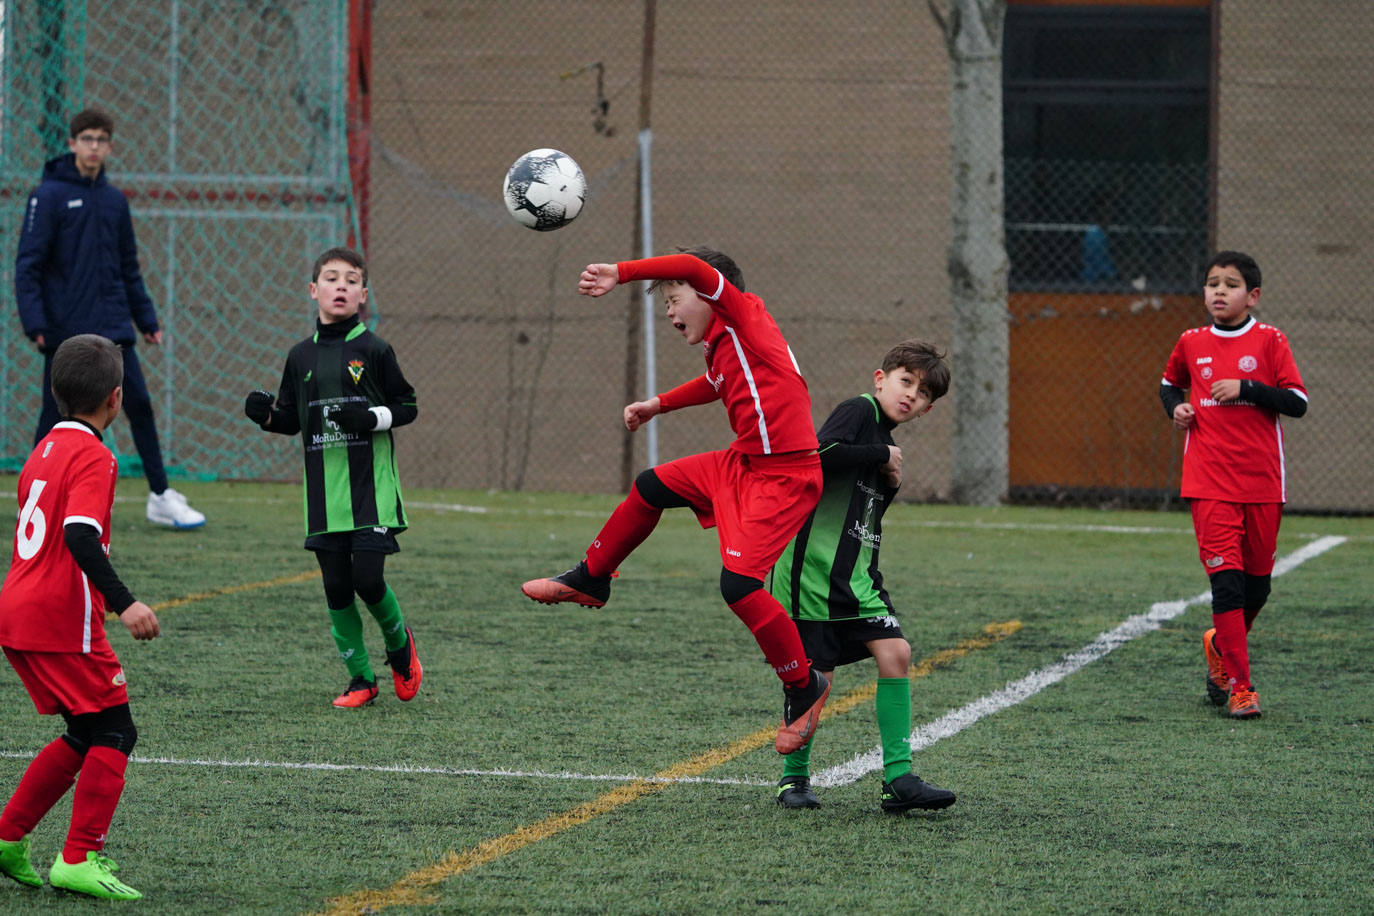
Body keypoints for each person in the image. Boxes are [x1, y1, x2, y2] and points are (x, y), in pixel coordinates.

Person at [521, 247, 830, 755]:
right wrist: (657, 404)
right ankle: (592, 578)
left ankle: (804, 686)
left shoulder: (745, 314)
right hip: (744, 464)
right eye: (663, 300)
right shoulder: (723, 343)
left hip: (786, 477)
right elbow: (717, 384)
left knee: (740, 587)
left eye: (674, 297)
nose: (668, 309)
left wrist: (620, 274)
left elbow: (689, 265)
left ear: (712, 292)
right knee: (650, 486)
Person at [0, 334, 160, 900]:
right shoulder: (95, 455)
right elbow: (78, 537)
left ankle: (7, 837)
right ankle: (79, 856)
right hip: (62, 619)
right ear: (116, 399)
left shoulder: (42, 448)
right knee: (117, 730)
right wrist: (127, 602)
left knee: (83, 729)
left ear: (56, 391)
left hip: (16, 610)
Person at [770, 339, 958, 813]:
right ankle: (793, 781)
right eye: (905, 381)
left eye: (922, 394)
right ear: (881, 379)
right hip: (812, 571)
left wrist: (888, 480)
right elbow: (820, 454)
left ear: (927, 410)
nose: (910, 394)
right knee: (817, 679)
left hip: (857, 577)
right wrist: (879, 455)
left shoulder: (886, 446)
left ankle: (898, 780)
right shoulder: (857, 412)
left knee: (896, 652)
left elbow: (861, 511)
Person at [243, 247, 422, 709]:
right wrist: (264, 417)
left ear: (363, 294)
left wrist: (372, 417)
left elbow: (407, 406)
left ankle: (400, 646)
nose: (340, 286)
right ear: (313, 291)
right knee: (337, 589)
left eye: (350, 280)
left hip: (371, 491)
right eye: (330, 278)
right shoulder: (299, 355)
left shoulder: (375, 349)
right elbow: (290, 419)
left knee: (366, 577)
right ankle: (361, 679)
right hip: (324, 497)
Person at [13, 107, 205, 530]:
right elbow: (28, 265)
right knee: (56, 416)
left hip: (115, 327)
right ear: (72, 143)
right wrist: (37, 323)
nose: (94, 147)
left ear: (110, 146)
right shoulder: (48, 196)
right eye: (87, 139)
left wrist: (146, 318)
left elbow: (128, 267)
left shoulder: (115, 201)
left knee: (138, 404)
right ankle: (34, 497)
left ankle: (160, 495)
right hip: (66, 331)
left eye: (101, 139)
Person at [1159, 251, 1307, 719]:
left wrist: (1247, 388)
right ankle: (1242, 687)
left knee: (1257, 588)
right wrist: (1176, 409)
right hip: (1208, 481)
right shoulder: (1190, 341)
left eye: (1230, 284)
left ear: (1252, 295)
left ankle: (1219, 645)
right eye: (1212, 284)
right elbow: (1169, 386)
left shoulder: (1270, 341)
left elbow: (1297, 402)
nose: (1219, 291)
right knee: (1226, 587)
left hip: (1262, 482)